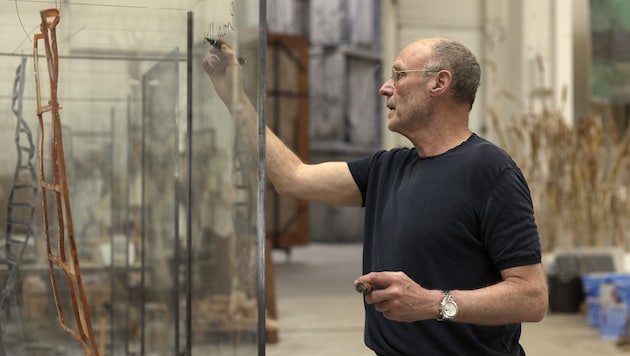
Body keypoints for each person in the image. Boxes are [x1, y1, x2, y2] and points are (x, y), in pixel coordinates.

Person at [203, 37, 548, 355]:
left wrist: (432, 303)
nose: (386, 88)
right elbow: (292, 177)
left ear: (439, 83)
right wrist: (236, 98)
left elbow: (531, 297)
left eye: (398, 75)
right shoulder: (388, 168)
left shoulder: (490, 170)